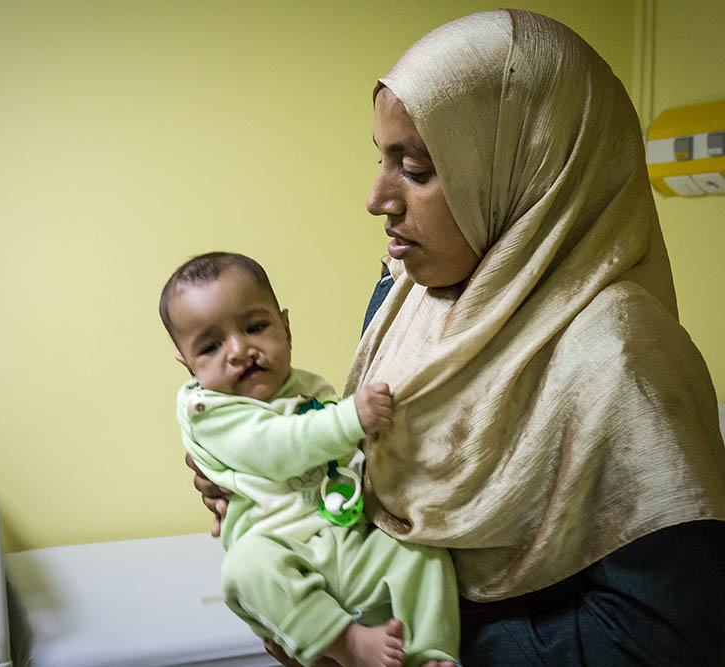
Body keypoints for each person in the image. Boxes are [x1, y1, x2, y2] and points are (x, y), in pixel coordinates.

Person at [189, 9, 725, 666]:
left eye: (414, 168)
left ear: (523, 168)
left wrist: (424, 638)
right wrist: (263, 475)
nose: (376, 197)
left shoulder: (620, 353)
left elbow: (665, 640)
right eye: (380, 159)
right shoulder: (406, 292)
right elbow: (387, 463)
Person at [161, 252, 460, 667]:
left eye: (255, 327)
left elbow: (343, 456)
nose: (239, 349)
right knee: (244, 569)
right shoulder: (207, 411)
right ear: (189, 367)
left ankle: (431, 652)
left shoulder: (307, 386)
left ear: (285, 326)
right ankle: (346, 643)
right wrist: (352, 417)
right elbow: (278, 447)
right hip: (281, 547)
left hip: (345, 537)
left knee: (420, 552)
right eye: (210, 346)